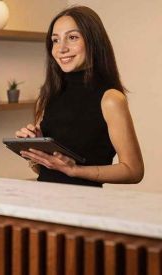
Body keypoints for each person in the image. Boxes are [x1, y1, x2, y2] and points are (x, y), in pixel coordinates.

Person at [15, 6, 144, 187]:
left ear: (93, 42)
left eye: (72, 37)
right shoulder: (48, 95)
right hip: (43, 202)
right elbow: (44, 170)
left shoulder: (111, 99)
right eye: (55, 40)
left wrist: (76, 170)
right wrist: (37, 150)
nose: (62, 48)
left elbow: (134, 171)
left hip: (85, 208)